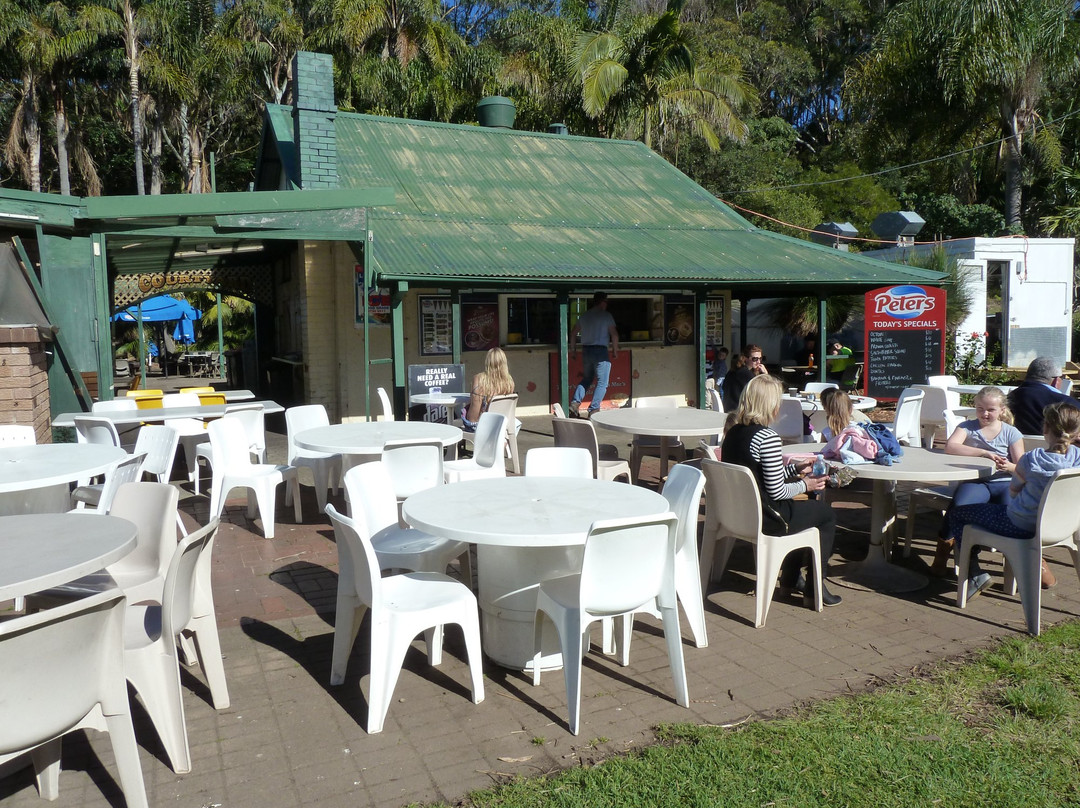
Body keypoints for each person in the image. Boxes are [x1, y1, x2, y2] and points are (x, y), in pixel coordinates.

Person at [721, 374, 842, 608]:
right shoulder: (766, 437)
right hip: (768, 517)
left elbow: (757, 475)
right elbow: (776, 491)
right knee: (824, 515)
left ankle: (789, 579)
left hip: (741, 514)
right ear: (770, 405)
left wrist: (793, 469)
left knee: (803, 511)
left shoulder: (734, 433)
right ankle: (815, 585)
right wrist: (807, 484)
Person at [948, 402, 1080, 600]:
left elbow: (1013, 491)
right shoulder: (1077, 459)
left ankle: (975, 573)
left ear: (1045, 428)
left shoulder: (1031, 459)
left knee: (958, 513)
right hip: (1064, 528)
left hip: (1020, 525)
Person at [933, 386, 1024, 575]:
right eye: (980, 408)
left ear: (1002, 410)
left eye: (991, 409)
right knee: (958, 507)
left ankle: (1028, 561)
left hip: (1003, 482)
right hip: (976, 481)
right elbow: (951, 446)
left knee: (1013, 515)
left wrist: (1008, 466)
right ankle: (943, 554)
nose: (985, 414)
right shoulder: (968, 427)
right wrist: (984, 453)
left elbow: (1021, 467)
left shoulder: (1011, 432)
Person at [569, 292, 619, 418]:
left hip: (586, 351)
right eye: (606, 302)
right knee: (602, 382)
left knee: (587, 379)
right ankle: (594, 409)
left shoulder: (585, 315)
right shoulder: (606, 316)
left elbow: (573, 333)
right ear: (602, 302)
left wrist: (573, 350)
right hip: (601, 351)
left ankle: (575, 403)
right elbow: (614, 334)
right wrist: (615, 350)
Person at [1007, 356, 1079, 435]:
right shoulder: (1066, 404)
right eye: (1062, 377)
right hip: (1054, 446)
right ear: (1056, 380)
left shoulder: (1008, 398)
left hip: (1015, 445)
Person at [461, 346, 515, 432]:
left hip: (482, 426)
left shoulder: (479, 379)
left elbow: (472, 417)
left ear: (487, 362)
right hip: (502, 425)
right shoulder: (509, 382)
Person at [722, 344, 768, 412]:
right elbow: (763, 391)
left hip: (728, 409)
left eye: (760, 358)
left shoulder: (733, 370)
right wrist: (765, 374)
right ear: (745, 358)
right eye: (754, 359)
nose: (758, 362)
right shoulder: (745, 373)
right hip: (739, 412)